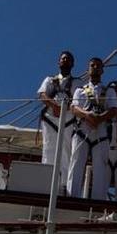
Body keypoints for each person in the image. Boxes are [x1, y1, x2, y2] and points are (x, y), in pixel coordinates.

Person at [68, 58, 117, 199]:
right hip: (82, 129)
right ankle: (72, 197)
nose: (95, 68)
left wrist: (100, 118)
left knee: (100, 166)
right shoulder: (79, 90)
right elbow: (74, 108)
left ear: (102, 70)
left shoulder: (109, 91)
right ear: (88, 69)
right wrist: (87, 115)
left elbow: (114, 109)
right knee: (76, 163)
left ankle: (98, 200)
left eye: (98, 66)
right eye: (92, 65)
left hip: (100, 131)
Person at [37, 50, 80, 193]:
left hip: (67, 120)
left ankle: (63, 187)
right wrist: (54, 105)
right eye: (63, 58)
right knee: (48, 150)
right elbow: (42, 95)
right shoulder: (50, 80)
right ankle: (45, 185)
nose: (65, 60)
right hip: (50, 119)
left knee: (66, 152)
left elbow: (78, 100)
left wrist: (63, 108)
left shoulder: (78, 82)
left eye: (68, 59)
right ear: (58, 62)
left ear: (72, 64)